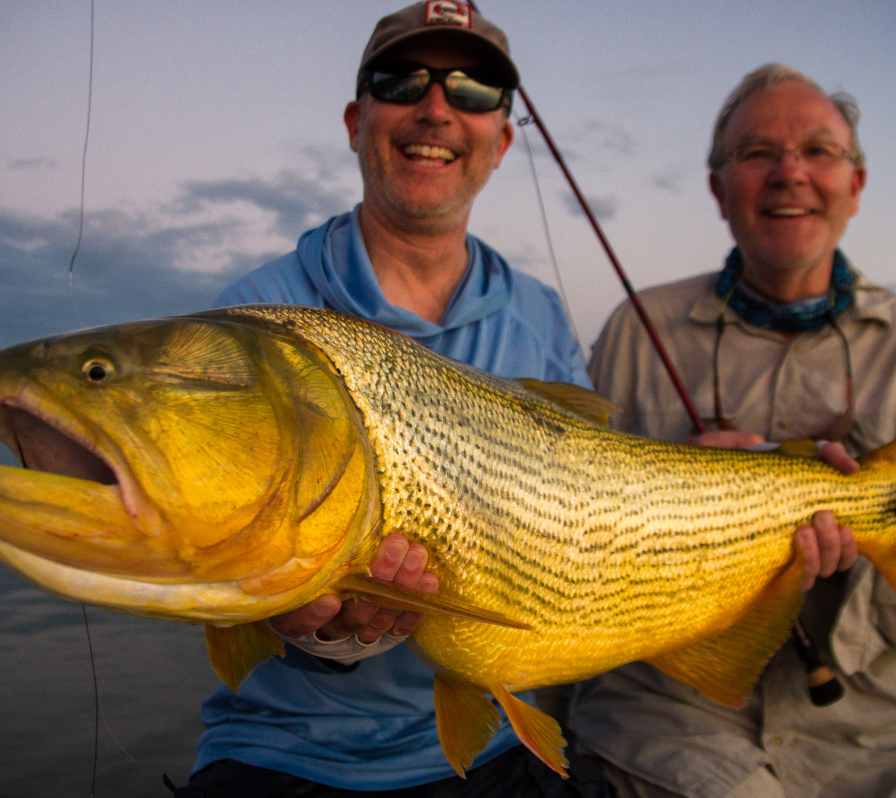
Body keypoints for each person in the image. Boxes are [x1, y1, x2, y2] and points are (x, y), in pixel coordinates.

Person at [172, 4, 616, 795]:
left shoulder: (541, 313)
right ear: (356, 122)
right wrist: (312, 626)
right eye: (402, 80)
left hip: (494, 742)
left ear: (501, 142)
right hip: (285, 753)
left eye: (473, 90)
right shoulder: (253, 320)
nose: (436, 108)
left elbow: (594, 518)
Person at [568, 63, 896, 798]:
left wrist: (859, 564)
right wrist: (676, 510)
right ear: (717, 188)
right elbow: (564, 536)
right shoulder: (635, 330)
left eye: (818, 150)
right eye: (757, 153)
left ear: (856, 184)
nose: (789, 173)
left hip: (880, 740)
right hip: (670, 724)